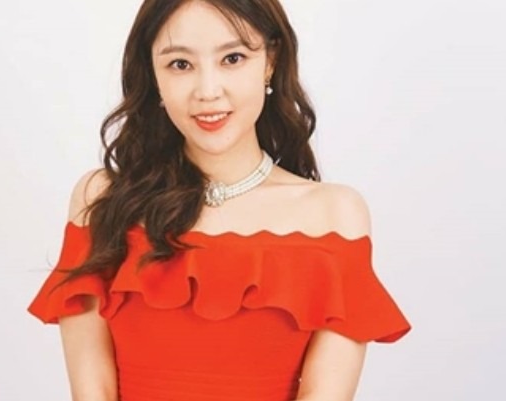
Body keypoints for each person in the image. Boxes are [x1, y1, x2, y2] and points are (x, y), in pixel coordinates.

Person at [28, 1, 411, 400]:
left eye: (232, 58)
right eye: (180, 64)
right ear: (153, 74)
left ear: (270, 62)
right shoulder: (102, 200)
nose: (208, 92)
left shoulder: (335, 215)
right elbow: (93, 392)